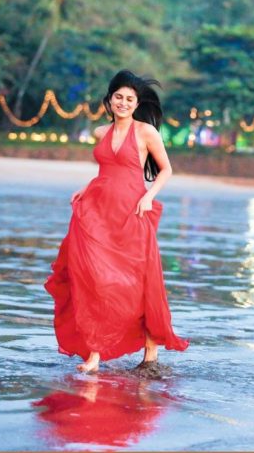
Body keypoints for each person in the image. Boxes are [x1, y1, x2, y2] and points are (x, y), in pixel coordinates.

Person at [45, 69, 188, 374]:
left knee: (138, 283)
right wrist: (86, 188)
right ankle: (94, 352)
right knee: (94, 280)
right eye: (118, 97)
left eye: (129, 99)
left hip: (132, 211)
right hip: (98, 210)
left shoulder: (145, 132)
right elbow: (107, 170)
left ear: (137, 104)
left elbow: (166, 170)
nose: (123, 103)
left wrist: (150, 196)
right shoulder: (100, 132)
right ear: (109, 100)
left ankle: (151, 351)